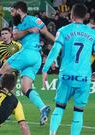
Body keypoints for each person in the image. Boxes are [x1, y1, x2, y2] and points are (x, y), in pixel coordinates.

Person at [0, 1, 55, 125]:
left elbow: (46, 33)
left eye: (12, 11)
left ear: (19, 10)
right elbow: (16, 36)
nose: (11, 13)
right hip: (36, 58)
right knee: (25, 88)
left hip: (28, 53)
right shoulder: (21, 23)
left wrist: (59, 44)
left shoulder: (31, 20)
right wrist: (28, 31)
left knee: (2, 71)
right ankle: (43, 108)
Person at [42, 4, 95, 135]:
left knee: (59, 108)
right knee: (78, 112)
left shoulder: (64, 30)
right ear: (85, 16)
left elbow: (55, 50)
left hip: (66, 76)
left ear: (72, 15)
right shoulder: (92, 34)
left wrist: (45, 69)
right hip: (83, 78)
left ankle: (52, 133)